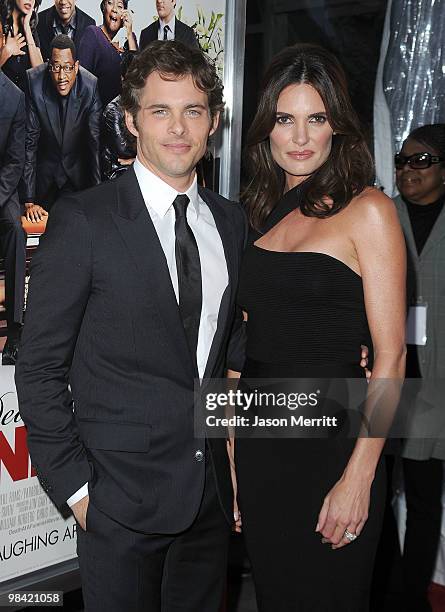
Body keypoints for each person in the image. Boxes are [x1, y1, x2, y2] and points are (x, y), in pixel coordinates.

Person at [15, 40, 246, 612]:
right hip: (117, 504)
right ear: (130, 121)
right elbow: (39, 367)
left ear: (212, 122)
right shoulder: (83, 220)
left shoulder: (231, 224)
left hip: (208, 501)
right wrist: (78, 490)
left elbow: (225, 357)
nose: (178, 128)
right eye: (159, 111)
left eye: (192, 110)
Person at [231, 43, 407, 611]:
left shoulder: (368, 209)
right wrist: (229, 453)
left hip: (334, 443)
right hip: (260, 443)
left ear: (338, 127)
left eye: (317, 119)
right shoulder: (255, 214)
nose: (300, 137)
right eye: (286, 119)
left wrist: (360, 475)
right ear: (267, 129)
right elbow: (244, 346)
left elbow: (391, 356)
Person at [392, 124, 445, 612]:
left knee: (425, 499)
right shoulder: (382, 213)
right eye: (403, 160)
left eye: (422, 161)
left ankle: (411, 599)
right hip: (385, 378)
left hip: (436, 386)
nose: (409, 169)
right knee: (372, 489)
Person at [22, 35, 101, 224]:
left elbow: (94, 145)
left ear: (76, 66)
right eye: (56, 67)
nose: (61, 76)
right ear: (49, 65)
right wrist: (29, 199)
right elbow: (29, 144)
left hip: (76, 178)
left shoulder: (90, 86)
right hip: (43, 179)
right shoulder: (34, 81)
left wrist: (99, 195)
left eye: (67, 67)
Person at [0, 70, 27, 366]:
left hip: (2, 192)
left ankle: (15, 332)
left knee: (16, 233)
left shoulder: (14, 97)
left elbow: (15, 161)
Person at [78, 0, 137, 107]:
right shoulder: (93, 34)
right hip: (99, 114)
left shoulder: (130, 38)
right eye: (110, 3)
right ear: (103, 8)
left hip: (126, 112)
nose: (114, 9)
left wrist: (129, 34)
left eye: (119, 6)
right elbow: (82, 81)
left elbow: (137, 77)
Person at [100, 49, 136, 181]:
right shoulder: (113, 110)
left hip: (136, 167)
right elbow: (124, 150)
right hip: (117, 171)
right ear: (123, 79)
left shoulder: (142, 105)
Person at [0, 0, 43, 92]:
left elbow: (40, 72)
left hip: (23, 102)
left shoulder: (30, 27)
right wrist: (6, 52)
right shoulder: (1, 22)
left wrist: (26, 27)